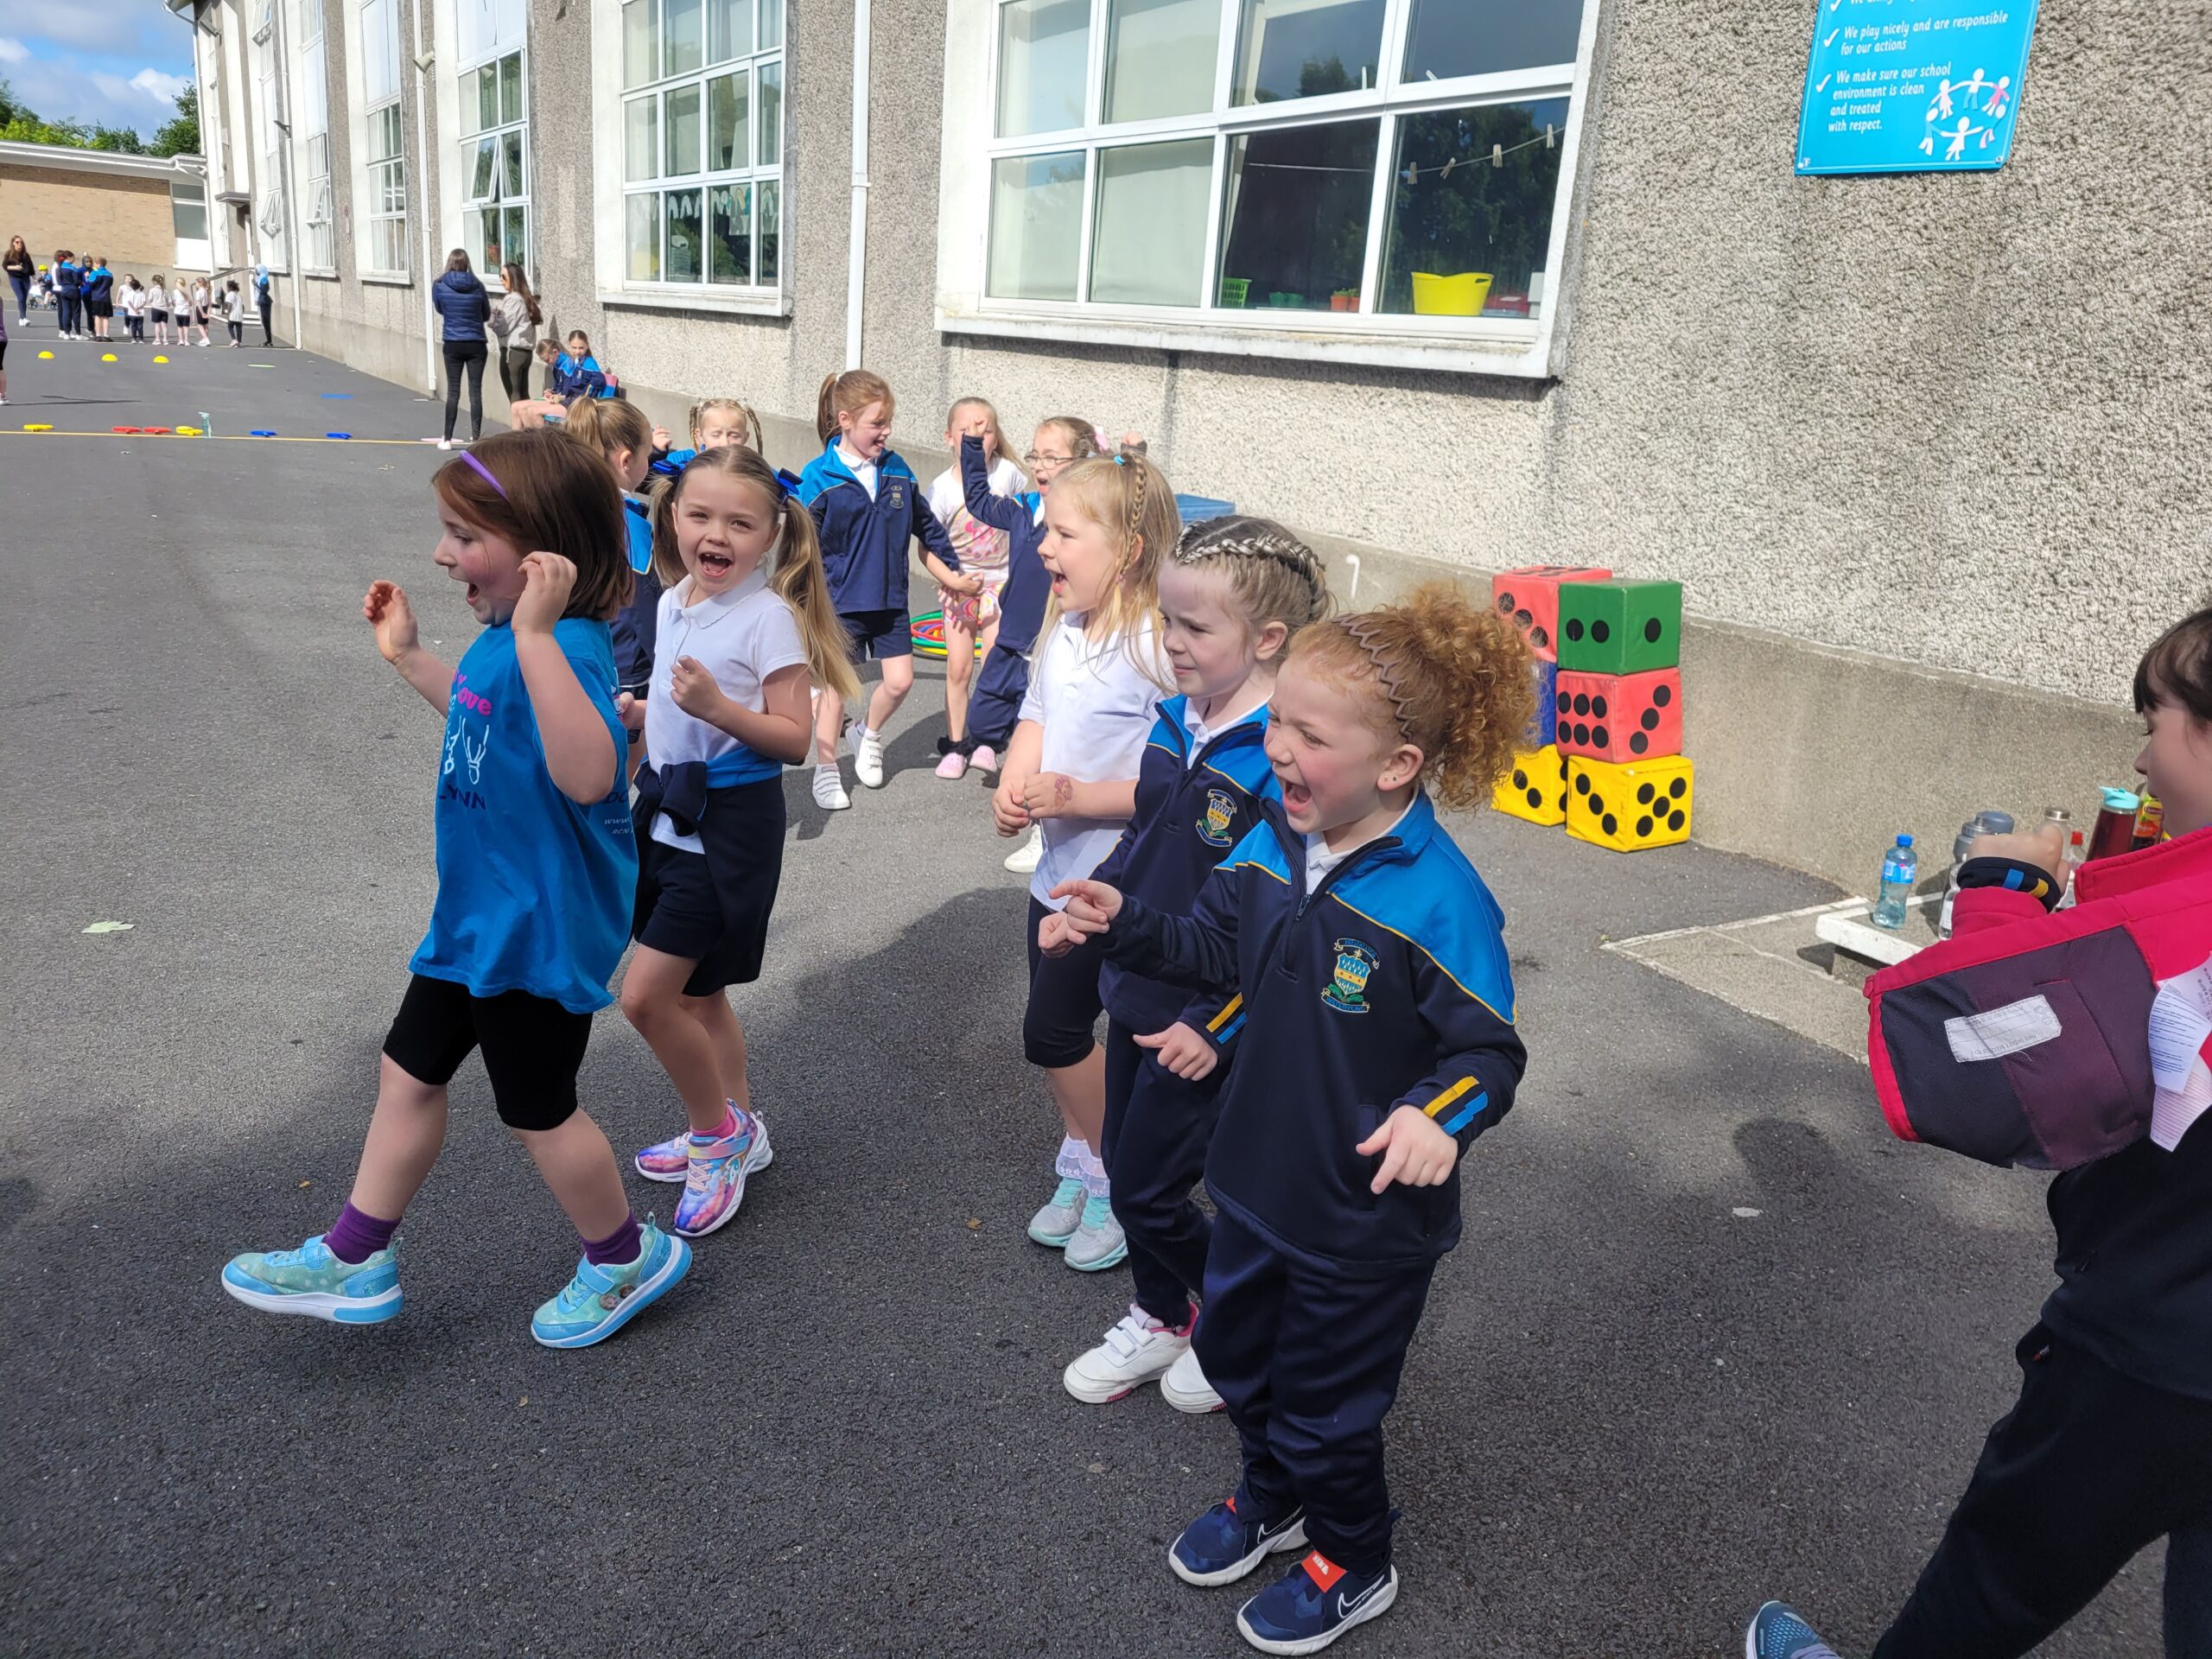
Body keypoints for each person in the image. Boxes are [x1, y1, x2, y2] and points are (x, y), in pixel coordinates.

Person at [1048, 583, 1534, 1656]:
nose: (1277, 749)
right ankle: (1271, 1500)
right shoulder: (1272, 844)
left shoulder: (1441, 900)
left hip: (1362, 1223)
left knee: (1325, 1408)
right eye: (1277, 722)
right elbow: (1213, 954)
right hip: (1253, 1185)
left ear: (1396, 766)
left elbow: (1488, 1053)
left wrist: (1435, 1118)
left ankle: (1353, 1559)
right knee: (1238, 1365)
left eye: (1310, 736)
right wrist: (1126, 921)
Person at [1745, 611, 2212, 1659]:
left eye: (2155, 723)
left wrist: (2002, 891)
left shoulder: (2175, 935)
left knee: (1993, 1587)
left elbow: (1950, 1063)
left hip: (2147, 1353)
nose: (2142, 761)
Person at [218, 429, 690, 1349]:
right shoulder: (506, 643)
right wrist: (408, 657)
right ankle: (356, 1255)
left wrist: (539, 635)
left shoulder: (563, 646)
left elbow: (591, 774)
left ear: (546, 554)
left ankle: (624, 1259)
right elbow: (483, 720)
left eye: (466, 536)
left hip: (536, 929)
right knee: (408, 1071)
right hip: (477, 914)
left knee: (538, 1111)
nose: (443, 554)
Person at [1059, 517, 1333, 1410]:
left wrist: (1215, 1023)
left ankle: (1239, 1320)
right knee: (1125, 1165)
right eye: (1166, 620)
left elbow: (1287, 923)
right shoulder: (1176, 718)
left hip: (1208, 1019)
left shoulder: (1279, 762)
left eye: (1194, 627)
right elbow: (1144, 838)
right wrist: (1093, 902)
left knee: (1149, 1187)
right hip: (1138, 985)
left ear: (1267, 639)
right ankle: (1164, 1312)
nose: (1170, 642)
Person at [620, 446, 862, 1236]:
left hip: (726, 833)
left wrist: (717, 708)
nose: (715, 534)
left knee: (645, 999)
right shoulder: (674, 600)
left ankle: (716, 1135)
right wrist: (645, 715)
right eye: (699, 515)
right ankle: (739, 1127)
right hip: (668, 816)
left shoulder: (769, 619)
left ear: (770, 536)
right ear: (672, 518)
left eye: (739, 523)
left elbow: (794, 738)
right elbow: (678, 703)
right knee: (700, 994)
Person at [990, 454, 1179, 1272]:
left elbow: (1178, 788)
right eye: (1047, 529)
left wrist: (1078, 794)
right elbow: (1035, 715)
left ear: (1129, 549)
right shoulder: (1067, 629)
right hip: (1056, 871)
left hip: (1120, 880)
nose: (1044, 546)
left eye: (1065, 533)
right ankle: (1087, 1158)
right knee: (1060, 1031)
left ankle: (1117, 1177)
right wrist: (1014, 781)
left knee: (1055, 1033)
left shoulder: (1158, 650)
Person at [796, 368, 975, 812]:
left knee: (900, 682)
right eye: (877, 423)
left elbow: (928, 529)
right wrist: (796, 602)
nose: (886, 431)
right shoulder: (817, 477)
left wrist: (954, 574)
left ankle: (867, 734)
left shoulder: (898, 471)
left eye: (888, 421)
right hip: (838, 604)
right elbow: (799, 549)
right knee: (833, 692)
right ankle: (826, 770)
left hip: (891, 601)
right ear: (845, 420)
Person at [923, 397, 1026, 779]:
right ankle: (955, 744)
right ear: (949, 438)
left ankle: (987, 741)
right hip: (960, 588)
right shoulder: (941, 489)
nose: (976, 438)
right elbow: (925, 549)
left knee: (994, 666)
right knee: (959, 668)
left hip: (1000, 584)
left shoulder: (1009, 475)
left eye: (985, 431)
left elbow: (1024, 526)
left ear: (996, 438)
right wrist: (952, 581)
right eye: (966, 431)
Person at [562, 397, 661, 699]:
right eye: (648, 455)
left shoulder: (565, 503)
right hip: (623, 664)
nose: (650, 463)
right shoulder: (628, 526)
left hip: (568, 648)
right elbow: (644, 608)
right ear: (626, 460)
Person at [431, 249, 492, 449]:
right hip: (476, 342)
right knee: (475, 391)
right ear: (467, 264)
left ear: (449, 263)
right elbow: (485, 314)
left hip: (453, 341)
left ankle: (447, 438)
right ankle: (476, 437)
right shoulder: (478, 285)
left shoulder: (439, 285)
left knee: (453, 391)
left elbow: (440, 308)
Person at [648, 397, 761, 480]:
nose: (725, 443)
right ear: (700, 436)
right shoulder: (681, 461)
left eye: (734, 436)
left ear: (745, 438)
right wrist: (655, 453)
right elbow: (645, 479)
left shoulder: (754, 469)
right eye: (716, 435)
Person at [509, 331, 604, 429]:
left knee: (531, 411)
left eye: (581, 348)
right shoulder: (576, 361)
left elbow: (586, 389)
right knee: (515, 406)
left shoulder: (586, 364)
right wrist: (552, 392)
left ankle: (538, 439)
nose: (577, 351)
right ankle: (520, 439)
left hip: (576, 404)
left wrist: (561, 397)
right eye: (574, 348)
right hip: (568, 401)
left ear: (587, 346)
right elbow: (563, 388)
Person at [489, 263, 542, 404]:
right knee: (523, 395)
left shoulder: (513, 298)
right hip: (524, 353)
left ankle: (518, 420)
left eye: (504, 277)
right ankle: (527, 420)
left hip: (512, 353)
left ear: (513, 278)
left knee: (515, 397)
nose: (501, 280)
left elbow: (503, 327)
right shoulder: (525, 297)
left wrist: (493, 318)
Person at [81, 257, 112, 340]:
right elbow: (110, 285)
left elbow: (90, 284)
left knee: (97, 316)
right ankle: (106, 335)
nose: (94, 264)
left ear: (98, 264)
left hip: (97, 297)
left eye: (95, 263)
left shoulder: (95, 273)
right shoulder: (109, 274)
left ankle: (98, 335)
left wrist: (87, 277)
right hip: (106, 298)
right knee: (106, 317)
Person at [3, 237, 31, 325]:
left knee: (24, 299)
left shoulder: (25, 255)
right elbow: (5, 266)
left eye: (21, 242)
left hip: (25, 278)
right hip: (14, 278)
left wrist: (34, 278)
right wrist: (15, 267)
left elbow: (31, 267)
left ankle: (21, 319)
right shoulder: (9, 254)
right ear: (13, 243)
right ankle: (24, 318)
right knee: (20, 297)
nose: (20, 244)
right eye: (17, 242)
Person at [51, 251, 79, 340]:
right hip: (67, 289)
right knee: (69, 311)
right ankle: (67, 331)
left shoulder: (57, 266)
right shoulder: (69, 267)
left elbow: (58, 280)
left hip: (61, 289)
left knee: (64, 310)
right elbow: (76, 281)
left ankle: (65, 331)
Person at [118, 275, 146, 343]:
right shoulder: (142, 294)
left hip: (132, 312)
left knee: (134, 325)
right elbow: (144, 302)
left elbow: (130, 302)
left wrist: (134, 309)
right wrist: (138, 308)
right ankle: (141, 339)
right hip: (139, 312)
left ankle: (134, 338)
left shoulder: (131, 293)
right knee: (139, 325)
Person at [146, 272, 171, 347]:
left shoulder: (152, 290)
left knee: (157, 325)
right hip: (164, 309)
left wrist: (152, 303)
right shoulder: (165, 291)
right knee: (164, 326)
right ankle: (165, 340)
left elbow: (149, 299)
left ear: (154, 282)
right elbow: (169, 301)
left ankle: (157, 339)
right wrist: (166, 306)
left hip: (156, 309)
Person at [188, 275, 213, 347]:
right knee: (205, 325)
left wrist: (202, 313)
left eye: (196, 283)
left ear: (199, 283)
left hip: (200, 309)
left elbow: (198, 303)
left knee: (200, 325)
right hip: (205, 307)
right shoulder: (207, 291)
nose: (196, 284)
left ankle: (206, 339)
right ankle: (204, 339)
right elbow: (209, 303)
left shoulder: (199, 292)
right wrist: (208, 312)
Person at [253, 261, 274, 346]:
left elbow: (264, 290)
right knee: (264, 321)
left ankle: (269, 341)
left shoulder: (264, 278)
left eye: (256, 270)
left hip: (265, 301)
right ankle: (268, 340)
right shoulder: (260, 278)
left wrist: (255, 285)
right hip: (261, 301)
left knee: (266, 321)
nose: (255, 271)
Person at [222, 280, 245, 346]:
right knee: (239, 329)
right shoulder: (239, 295)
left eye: (227, 287)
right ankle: (239, 342)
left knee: (230, 327)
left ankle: (234, 340)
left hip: (233, 314)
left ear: (230, 287)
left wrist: (228, 314)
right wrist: (242, 313)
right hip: (239, 314)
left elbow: (229, 305)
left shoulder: (229, 295)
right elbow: (243, 306)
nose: (227, 288)